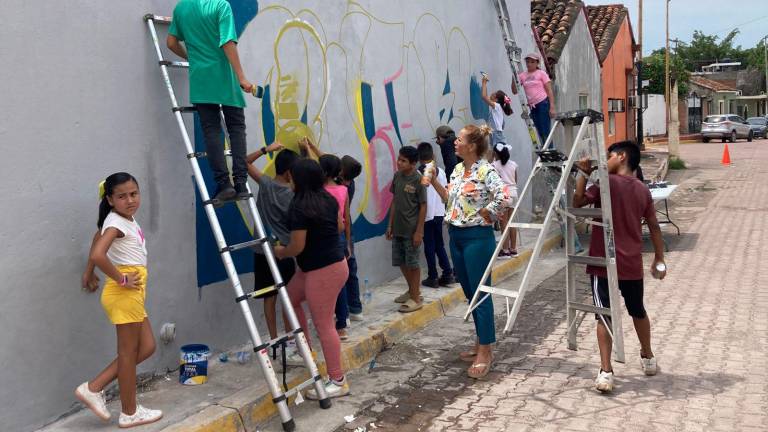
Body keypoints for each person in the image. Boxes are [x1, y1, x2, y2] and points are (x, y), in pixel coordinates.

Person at [572, 141, 666, 393]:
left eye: (609, 155)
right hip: (631, 263)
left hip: (602, 264)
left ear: (622, 157)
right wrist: (659, 258)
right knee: (638, 310)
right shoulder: (643, 190)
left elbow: (578, 201)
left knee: (604, 315)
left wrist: (582, 173)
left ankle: (606, 371)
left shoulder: (606, 184)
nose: (606, 160)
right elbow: (655, 226)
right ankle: (647, 356)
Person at [76, 173, 163, 428]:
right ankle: (129, 412)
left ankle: (94, 387)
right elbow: (98, 252)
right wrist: (121, 279)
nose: (130, 200)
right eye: (122, 196)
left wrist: (88, 273)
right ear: (111, 200)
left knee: (146, 347)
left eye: (134, 194)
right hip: (124, 293)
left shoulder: (117, 220)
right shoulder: (116, 223)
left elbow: (96, 239)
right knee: (127, 354)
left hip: (131, 295)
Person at [430, 125, 514, 379]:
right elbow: (449, 198)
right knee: (469, 292)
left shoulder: (485, 170)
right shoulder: (457, 169)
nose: (455, 142)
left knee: (480, 293)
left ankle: (486, 350)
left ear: (472, 146)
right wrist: (434, 180)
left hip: (477, 238)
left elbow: (504, 196)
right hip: (455, 235)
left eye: (459, 139)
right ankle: (481, 341)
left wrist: (489, 212)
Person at [275, 158, 350, 399]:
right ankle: (306, 351)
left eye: (291, 176)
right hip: (323, 265)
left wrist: (281, 252)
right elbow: (339, 226)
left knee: (325, 325)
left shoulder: (300, 206)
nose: (289, 180)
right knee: (290, 299)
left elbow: (296, 246)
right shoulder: (326, 198)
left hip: (323, 270)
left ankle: (338, 380)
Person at [167, 0, 255, 204]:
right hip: (225, 77)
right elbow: (227, 42)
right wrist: (241, 76)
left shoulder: (181, 8)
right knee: (236, 129)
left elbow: (171, 43)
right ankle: (240, 184)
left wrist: (191, 57)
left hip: (201, 79)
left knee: (212, 131)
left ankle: (224, 184)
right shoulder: (220, 5)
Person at [246, 142, 298, 343]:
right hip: (284, 250)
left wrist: (266, 149)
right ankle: (291, 336)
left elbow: (244, 162)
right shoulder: (294, 193)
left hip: (262, 250)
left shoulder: (266, 184)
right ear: (288, 172)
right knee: (288, 296)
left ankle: (274, 339)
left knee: (270, 296)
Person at [386, 146, 428, 313]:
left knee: (413, 264)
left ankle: (416, 299)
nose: (399, 162)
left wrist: (419, 231)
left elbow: (423, 206)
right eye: (399, 159)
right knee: (401, 262)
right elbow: (395, 201)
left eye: (403, 160)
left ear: (413, 163)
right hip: (398, 229)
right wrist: (389, 225)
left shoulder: (419, 180)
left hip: (412, 230)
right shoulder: (397, 176)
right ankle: (412, 290)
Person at [319, 154, 353, 340]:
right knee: (339, 283)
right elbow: (346, 218)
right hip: (339, 238)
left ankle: (328, 322)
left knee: (324, 283)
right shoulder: (343, 189)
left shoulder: (318, 191)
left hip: (324, 238)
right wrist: (347, 243)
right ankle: (341, 324)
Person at [416, 142, 455, 288]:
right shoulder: (441, 171)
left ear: (419, 158)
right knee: (439, 243)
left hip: (426, 214)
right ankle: (447, 272)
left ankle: (432, 276)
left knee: (429, 245)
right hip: (439, 212)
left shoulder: (419, 174)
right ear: (433, 155)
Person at [338, 155, 364, 321]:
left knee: (341, 271)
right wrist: (312, 147)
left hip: (340, 229)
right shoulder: (350, 182)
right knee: (350, 268)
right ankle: (355, 308)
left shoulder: (339, 187)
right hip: (348, 230)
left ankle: (342, 314)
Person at [512, 52, 556, 146]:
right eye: (528, 62)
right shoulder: (522, 75)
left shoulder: (541, 73)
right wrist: (514, 77)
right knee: (539, 130)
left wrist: (552, 106)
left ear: (537, 63)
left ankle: (550, 151)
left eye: (532, 62)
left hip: (543, 103)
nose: (529, 64)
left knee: (545, 130)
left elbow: (549, 90)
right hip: (532, 106)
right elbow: (515, 91)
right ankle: (544, 150)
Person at [491, 143, 519, 257]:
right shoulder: (513, 164)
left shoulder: (494, 165)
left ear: (496, 153)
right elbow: (515, 180)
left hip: (503, 194)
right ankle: (513, 249)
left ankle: (505, 250)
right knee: (512, 222)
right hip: (514, 193)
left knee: (504, 223)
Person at [481, 74, 514, 150]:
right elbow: (501, 125)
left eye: (494, 94)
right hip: (495, 134)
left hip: (497, 135)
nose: (492, 93)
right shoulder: (497, 110)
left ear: (496, 100)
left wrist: (484, 83)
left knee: (499, 153)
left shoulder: (497, 107)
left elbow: (484, 97)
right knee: (495, 152)